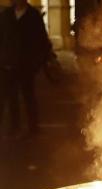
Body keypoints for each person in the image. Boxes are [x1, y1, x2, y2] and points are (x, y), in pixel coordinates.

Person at [0, 0, 53, 139]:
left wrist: (40, 59)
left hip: (26, 63)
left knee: (28, 95)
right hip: (8, 63)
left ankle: (33, 127)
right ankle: (15, 127)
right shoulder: (6, 15)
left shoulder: (33, 15)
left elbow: (42, 38)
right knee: (11, 97)